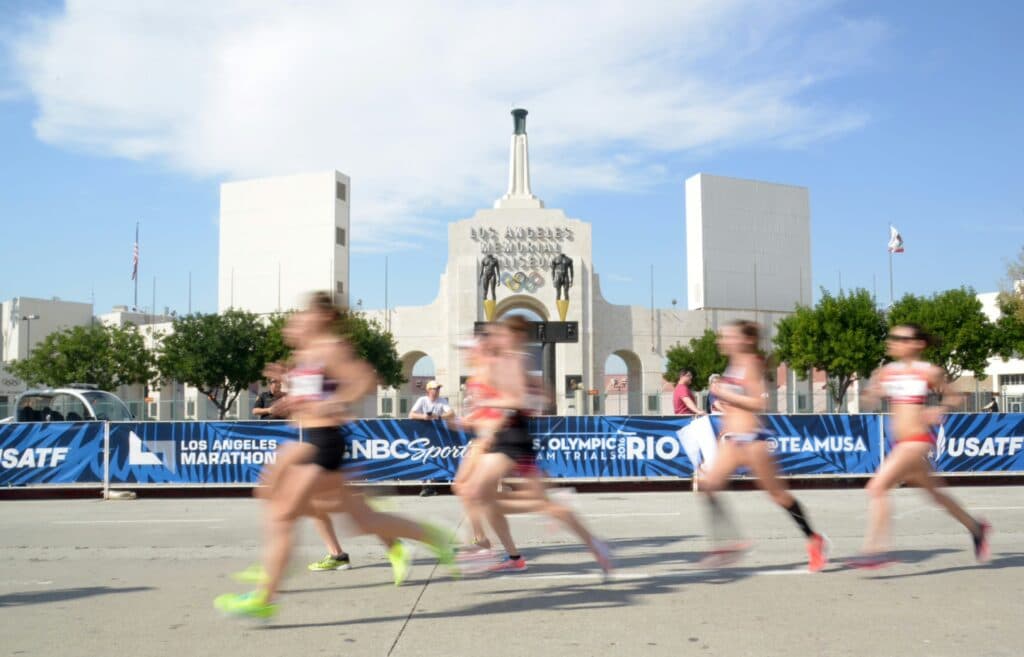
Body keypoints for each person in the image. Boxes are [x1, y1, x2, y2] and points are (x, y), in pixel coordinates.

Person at [215, 292, 457, 620]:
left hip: (324, 442)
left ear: (322, 318)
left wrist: (333, 403)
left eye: (304, 315)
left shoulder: (330, 347)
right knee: (357, 519)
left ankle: (265, 594)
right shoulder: (306, 355)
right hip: (311, 439)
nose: (296, 320)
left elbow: (364, 380)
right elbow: (312, 395)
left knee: (284, 514)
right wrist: (289, 393)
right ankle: (432, 536)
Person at [460, 316, 612, 574]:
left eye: (501, 334)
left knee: (478, 493)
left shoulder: (514, 360)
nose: (496, 338)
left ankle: (487, 549)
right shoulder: (509, 360)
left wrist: (489, 404)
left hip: (513, 437)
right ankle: (591, 543)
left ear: (514, 336)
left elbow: (517, 400)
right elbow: (544, 394)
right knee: (481, 495)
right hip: (508, 436)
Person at [855, 324, 990, 568]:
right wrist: (871, 394)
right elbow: (868, 400)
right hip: (901, 443)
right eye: (892, 337)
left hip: (917, 442)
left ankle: (876, 550)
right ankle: (976, 527)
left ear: (918, 344)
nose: (893, 341)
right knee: (935, 494)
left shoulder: (928, 371)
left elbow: (954, 396)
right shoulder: (888, 371)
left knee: (877, 487)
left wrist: (940, 408)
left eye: (900, 338)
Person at [700, 320, 828, 572]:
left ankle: (814, 539)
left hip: (753, 440)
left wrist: (724, 395)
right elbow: (733, 409)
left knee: (778, 495)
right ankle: (728, 544)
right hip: (731, 441)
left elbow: (759, 403)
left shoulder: (751, 364)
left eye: (729, 336)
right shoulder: (731, 366)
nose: (722, 341)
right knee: (708, 487)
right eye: (723, 337)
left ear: (746, 340)